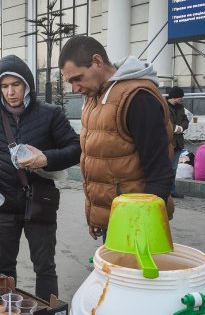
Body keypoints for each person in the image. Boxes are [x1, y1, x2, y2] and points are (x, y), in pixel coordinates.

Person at [0, 55, 80, 301]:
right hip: (2, 206)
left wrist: (46, 158)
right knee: (4, 269)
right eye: (4, 86)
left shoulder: (50, 114)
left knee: (45, 267)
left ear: (27, 84)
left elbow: (75, 148)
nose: (10, 92)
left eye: (15, 85)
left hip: (40, 203)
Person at [58, 35, 175, 240]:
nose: (74, 88)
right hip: (114, 219)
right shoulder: (94, 97)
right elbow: (97, 160)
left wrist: (142, 226)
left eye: (77, 78)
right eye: (69, 82)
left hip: (136, 225)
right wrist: (97, 216)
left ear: (97, 61)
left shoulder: (138, 98)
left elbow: (159, 173)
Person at [166, 86, 189, 199]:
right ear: (175, 97)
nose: (182, 99)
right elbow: (164, 121)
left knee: (174, 168)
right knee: (167, 167)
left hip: (178, 142)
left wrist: (181, 128)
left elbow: (186, 120)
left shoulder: (180, 107)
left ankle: (171, 190)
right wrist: (175, 128)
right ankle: (166, 190)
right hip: (167, 142)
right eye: (180, 97)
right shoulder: (164, 106)